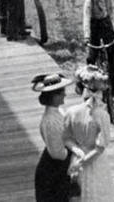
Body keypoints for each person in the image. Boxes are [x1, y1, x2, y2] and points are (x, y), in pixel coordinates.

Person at [65, 65, 114, 201]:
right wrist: (83, 161)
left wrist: (77, 154)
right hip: (95, 162)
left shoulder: (71, 112)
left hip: (76, 160)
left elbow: (67, 139)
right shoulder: (102, 115)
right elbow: (100, 147)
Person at [33, 71, 81, 201]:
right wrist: (73, 155)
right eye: (61, 93)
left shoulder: (58, 112)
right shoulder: (50, 121)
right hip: (53, 172)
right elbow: (57, 153)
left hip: (59, 170)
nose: (65, 94)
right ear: (54, 97)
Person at [82, 0, 114, 101]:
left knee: (113, 59)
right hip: (95, 27)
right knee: (91, 58)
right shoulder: (89, 3)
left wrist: (112, 30)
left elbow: (110, 12)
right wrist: (87, 37)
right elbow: (86, 19)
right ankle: (89, 88)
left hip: (106, 24)